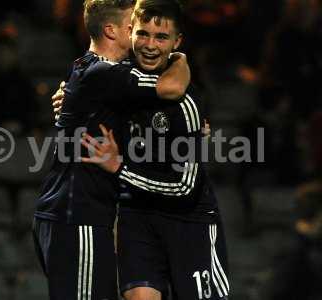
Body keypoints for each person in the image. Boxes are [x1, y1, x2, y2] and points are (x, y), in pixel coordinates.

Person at [32, 0, 190, 299]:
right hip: (77, 217)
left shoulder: (92, 70)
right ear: (111, 31)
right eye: (134, 28)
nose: (140, 38)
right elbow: (173, 87)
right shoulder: (103, 73)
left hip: (76, 215)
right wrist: (179, 56)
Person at [79, 1, 230, 299]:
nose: (150, 45)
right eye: (143, 34)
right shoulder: (119, 80)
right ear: (130, 31)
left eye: (161, 37)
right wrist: (64, 98)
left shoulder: (184, 102)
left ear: (177, 43)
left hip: (189, 221)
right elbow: (84, 88)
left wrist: (119, 168)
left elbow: (185, 187)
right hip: (137, 216)